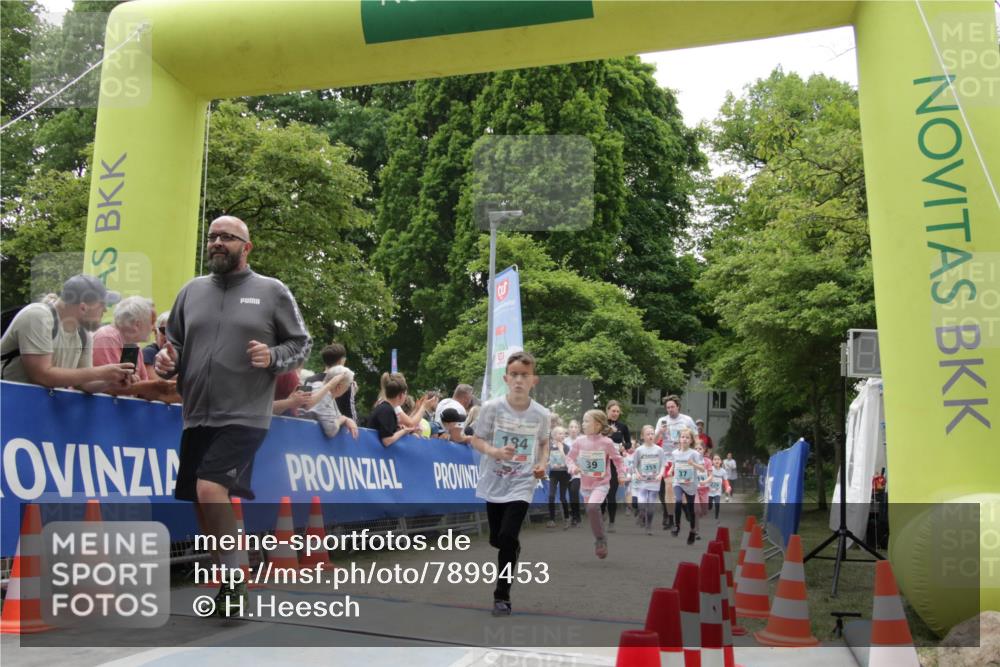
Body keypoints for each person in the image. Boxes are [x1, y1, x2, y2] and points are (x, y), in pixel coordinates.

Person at [154, 215, 311, 617]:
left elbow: (300, 344)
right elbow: (174, 347)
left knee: (210, 488)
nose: (217, 242)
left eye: (227, 237)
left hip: (245, 413)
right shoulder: (190, 292)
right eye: (212, 236)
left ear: (247, 246)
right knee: (199, 499)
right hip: (196, 414)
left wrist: (272, 356)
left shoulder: (271, 291)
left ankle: (236, 575)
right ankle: (228, 578)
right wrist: (166, 363)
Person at [469, 351, 549, 616]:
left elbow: (544, 442)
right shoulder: (492, 408)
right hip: (495, 479)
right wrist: (494, 452)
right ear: (506, 378)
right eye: (514, 374)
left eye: (524, 375)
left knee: (507, 536)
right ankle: (511, 546)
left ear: (533, 380)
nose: (519, 380)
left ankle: (501, 596)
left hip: (522, 483)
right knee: (498, 539)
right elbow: (477, 439)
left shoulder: (541, 414)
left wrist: (542, 464)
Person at [1, 275, 134, 392]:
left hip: (32, 406)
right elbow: (41, 376)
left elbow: (84, 384)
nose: (105, 310)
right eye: (102, 305)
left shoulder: (83, 335)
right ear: (83, 308)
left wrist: (110, 381)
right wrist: (100, 373)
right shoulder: (38, 316)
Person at [92, 296, 180, 402]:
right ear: (137, 324)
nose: (153, 328)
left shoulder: (131, 345)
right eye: (152, 322)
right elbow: (110, 387)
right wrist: (157, 386)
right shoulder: (107, 337)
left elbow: (140, 390)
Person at [567, 409, 625, 559]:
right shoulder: (579, 441)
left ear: (598, 425)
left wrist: (621, 474)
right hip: (585, 485)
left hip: (601, 483)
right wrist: (573, 468)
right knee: (592, 512)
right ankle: (600, 536)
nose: (583, 424)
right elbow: (569, 458)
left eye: (586, 421)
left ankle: (600, 540)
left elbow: (618, 460)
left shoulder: (607, 442)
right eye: (583, 421)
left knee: (593, 507)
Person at [670, 427, 705, 544]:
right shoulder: (675, 453)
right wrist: (671, 470)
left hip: (690, 484)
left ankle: (692, 531)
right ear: (679, 439)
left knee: (691, 510)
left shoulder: (694, 454)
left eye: (687, 437)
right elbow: (674, 464)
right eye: (682, 437)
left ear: (691, 441)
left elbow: (702, 468)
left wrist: (693, 463)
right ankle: (677, 526)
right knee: (678, 500)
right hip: (678, 482)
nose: (684, 439)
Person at [601, 400, 631, 532]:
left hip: (615, 463)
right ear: (607, 410)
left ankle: (612, 522)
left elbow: (629, 443)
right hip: (602, 463)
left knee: (611, 494)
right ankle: (602, 512)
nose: (615, 413)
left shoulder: (622, 426)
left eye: (618, 411)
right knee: (602, 493)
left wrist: (624, 446)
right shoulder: (601, 425)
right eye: (613, 411)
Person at [368, 373, 420, 447]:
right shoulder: (387, 410)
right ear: (401, 395)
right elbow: (387, 440)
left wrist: (398, 429)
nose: (406, 397)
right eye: (405, 394)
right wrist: (404, 431)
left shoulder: (385, 408)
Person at [632, 425, 666, 535]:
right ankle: (641, 514)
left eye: (652, 434)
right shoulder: (639, 450)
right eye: (648, 434)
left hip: (654, 482)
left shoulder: (659, 450)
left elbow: (663, 465)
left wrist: (660, 474)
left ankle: (649, 526)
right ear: (642, 436)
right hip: (642, 481)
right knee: (642, 504)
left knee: (651, 507)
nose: (650, 436)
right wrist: (637, 474)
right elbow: (634, 465)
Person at [546, 426, 571, 529]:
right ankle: (552, 520)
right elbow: (548, 460)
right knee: (551, 496)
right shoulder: (550, 447)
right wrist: (549, 464)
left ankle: (567, 518)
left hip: (564, 474)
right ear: (554, 435)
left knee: (562, 497)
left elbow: (568, 462)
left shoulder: (566, 447)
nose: (562, 435)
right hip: (554, 473)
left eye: (563, 433)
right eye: (560, 433)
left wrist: (561, 450)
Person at [565, 419, 582, 527]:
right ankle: (575, 515)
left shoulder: (582, 440)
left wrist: (579, 467)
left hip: (578, 471)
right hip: (567, 471)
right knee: (571, 495)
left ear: (578, 429)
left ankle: (576, 516)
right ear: (568, 429)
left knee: (574, 491)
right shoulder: (565, 441)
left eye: (575, 427)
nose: (573, 429)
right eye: (571, 427)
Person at [708, 454, 725, 520]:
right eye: (715, 459)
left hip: (717, 491)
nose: (716, 461)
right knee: (709, 506)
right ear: (712, 461)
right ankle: (709, 506)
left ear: (721, 461)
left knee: (717, 503)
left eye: (718, 459)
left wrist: (727, 487)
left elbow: (725, 480)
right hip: (709, 491)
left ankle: (716, 515)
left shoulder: (723, 471)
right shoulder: (710, 469)